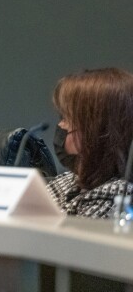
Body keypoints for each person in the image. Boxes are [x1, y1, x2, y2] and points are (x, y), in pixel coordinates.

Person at [47, 68, 133, 218]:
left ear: (97, 129)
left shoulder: (117, 198)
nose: (61, 125)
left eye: (67, 118)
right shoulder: (68, 181)